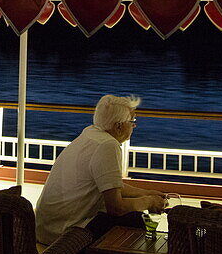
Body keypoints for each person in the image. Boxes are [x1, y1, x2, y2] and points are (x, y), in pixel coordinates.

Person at [35, 94, 166, 245]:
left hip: (47, 227)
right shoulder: (107, 145)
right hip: (64, 236)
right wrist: (148, 202)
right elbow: (116, 208)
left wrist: (145, 193)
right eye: (132, 121)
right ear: (118, 126)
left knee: (132, 211)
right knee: (133, 220)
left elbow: (110, 186)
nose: (134, 126)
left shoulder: (90, 134)